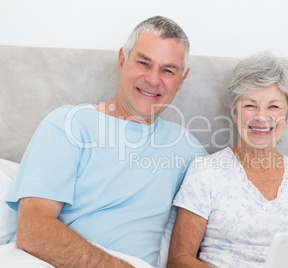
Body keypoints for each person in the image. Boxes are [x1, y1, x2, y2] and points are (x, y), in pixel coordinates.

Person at [6, 16, 206, 268]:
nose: (153, 80)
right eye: (144, 63)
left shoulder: (190, 151)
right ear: (122, 60)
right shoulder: (69, 125)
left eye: (167, 70)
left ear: (182, 79)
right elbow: (33, 230)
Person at [167, 51, 288, 267]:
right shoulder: (206, 172)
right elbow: (178, 260)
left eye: (273, 106)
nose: (261, 117)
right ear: (234, 110)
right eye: (250, 105)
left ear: (287, 114)